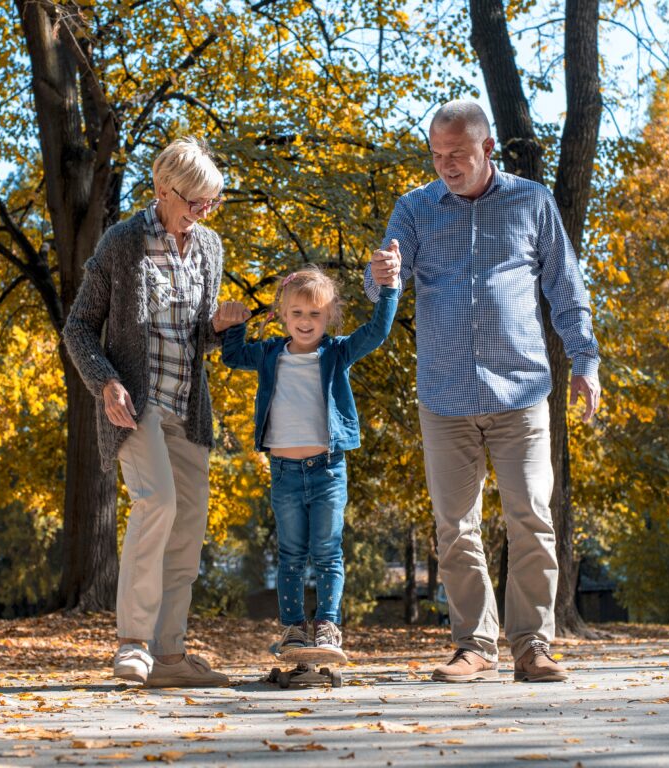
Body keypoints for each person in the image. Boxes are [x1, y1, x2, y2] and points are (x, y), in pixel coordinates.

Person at [365, 100, 601, 683]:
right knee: (455, 527)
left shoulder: (531, 202)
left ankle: (533, 645)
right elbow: (382, 290)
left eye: (458, 155)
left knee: (531, 519)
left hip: (520, 392)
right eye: (437, 155)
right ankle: (474, 645)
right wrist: (381, 277)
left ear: (487, 148)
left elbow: (565, 287)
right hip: (444, 396)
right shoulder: (415, 209)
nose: (446, 165)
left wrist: (585, 359)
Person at [63, 137, 234, 687]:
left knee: (186, 527)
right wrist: (105, 382)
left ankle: (168, 654)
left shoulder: (209, 247)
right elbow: (80, 327)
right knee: (156, 501)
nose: (203, 212)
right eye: (195, 202)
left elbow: (199, 335)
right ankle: (133, 643)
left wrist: (222, 328)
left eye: (212, 203)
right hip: (136, 408)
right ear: (164, 191)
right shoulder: (122, 243)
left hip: (188, 406)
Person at [214, 265, 400, 662]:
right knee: (291, 555)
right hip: (283, 473)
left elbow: (377, 332)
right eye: (297, 313)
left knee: (327, 551)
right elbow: (231, 356)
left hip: (328, 469)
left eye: (315, 314)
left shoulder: (337, 352)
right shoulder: (268, 354)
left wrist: (388, 291)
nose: (305, 322)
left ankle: (328, 626)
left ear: (329, 316)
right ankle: (294, 628)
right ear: (282, 314)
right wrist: (234, 324)